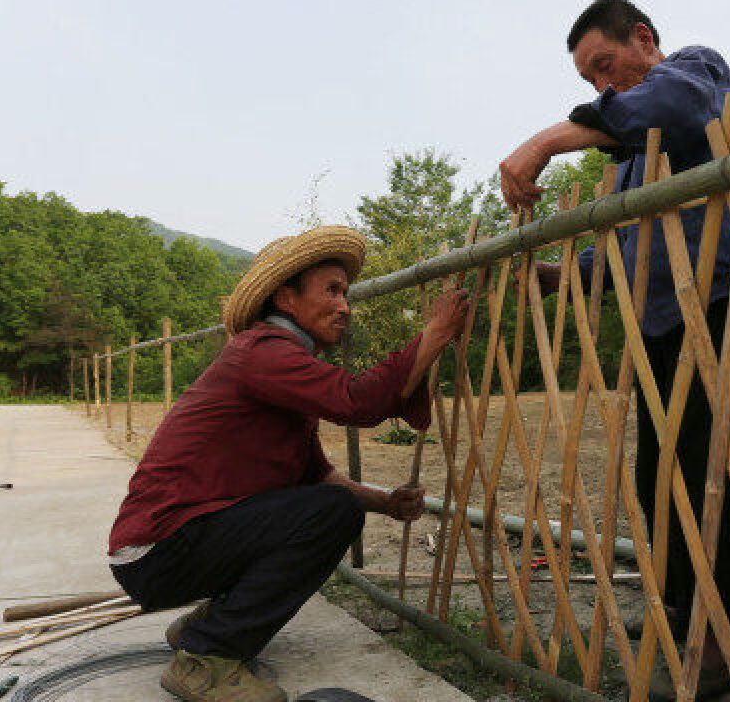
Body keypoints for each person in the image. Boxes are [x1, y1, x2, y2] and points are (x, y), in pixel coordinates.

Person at [499, 0, 730, 701]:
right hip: (660, 320)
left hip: (720, 302)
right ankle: (689, 617)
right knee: (660, 475)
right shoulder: (630, 156)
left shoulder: (695, 72)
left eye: (605, 65)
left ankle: (711, 649)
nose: (602, 86)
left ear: (643, 39)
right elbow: (627, 248)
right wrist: (562, 275)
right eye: (590, 78)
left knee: (705, 467)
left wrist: (544, 141)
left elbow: (674, 107)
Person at [106, 226, 469, 702]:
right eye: (332, 291)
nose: (345, 306)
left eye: (347, 292)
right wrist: (437, 331)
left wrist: (388, 503)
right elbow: (356, 401)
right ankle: (205, 658)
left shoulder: (282, 365)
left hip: (169, 548)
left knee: (324, 502)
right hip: (159, 549)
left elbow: (317, 474)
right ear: (286, 299)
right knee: (333, 513)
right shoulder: (263, 353)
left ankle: (211, 624)